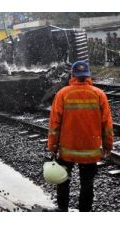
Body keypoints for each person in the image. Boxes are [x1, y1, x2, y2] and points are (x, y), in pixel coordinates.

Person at [47, 60, 114, 212]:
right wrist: (108, 146)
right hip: (90, 150)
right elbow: (107, 126)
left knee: (63, 180)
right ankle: (84, 212)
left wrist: (52, 146)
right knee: (87, 183)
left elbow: (54, 125)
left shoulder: (62, 94)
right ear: (88, 75)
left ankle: (63, 210)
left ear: (73, 75)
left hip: (66, 150)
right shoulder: (99, 95)